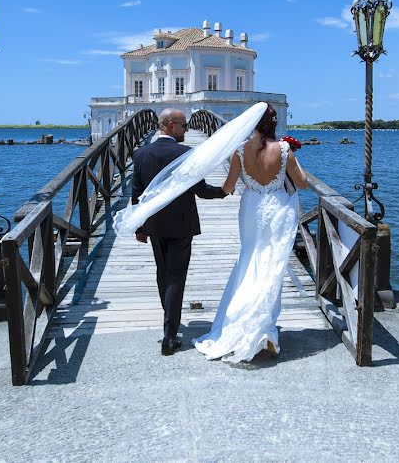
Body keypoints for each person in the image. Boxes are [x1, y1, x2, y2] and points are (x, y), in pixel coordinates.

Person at [193, 104, 307, 362]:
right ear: (274, 123)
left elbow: (229, 186)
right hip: (277, 208)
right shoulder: (284, 149)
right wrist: (294, 160)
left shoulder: (239, 150)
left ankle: (243, 321)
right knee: (272, 263)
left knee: (249, 258)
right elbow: (302, 183)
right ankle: (264, 329)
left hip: (251, 207)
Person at [130, 108, 228, 356]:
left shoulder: (141, 153)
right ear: (171, 125)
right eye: (184, 126)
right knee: (176, 277)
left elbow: (137, 194)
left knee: (162, 272)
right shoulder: (186, 154)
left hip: (154, 224)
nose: (186, 130)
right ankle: (169, 336)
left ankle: (168, 318)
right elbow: (202, 190)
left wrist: (139, 227)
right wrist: (225, 190)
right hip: (181, 224)